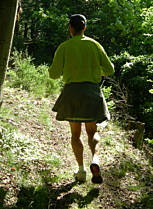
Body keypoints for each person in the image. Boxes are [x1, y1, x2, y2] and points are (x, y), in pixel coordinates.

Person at [48, 14, 114, 184]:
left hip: (71, 94)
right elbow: (110, 69)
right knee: (92, 132)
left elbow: (54, 74)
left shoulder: (64, 47)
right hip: (92, 92)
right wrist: (96, 71)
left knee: (75, 134)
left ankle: (81, 170)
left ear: (70, 28)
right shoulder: (94, 45)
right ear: (84, 27)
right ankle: (96, 160)